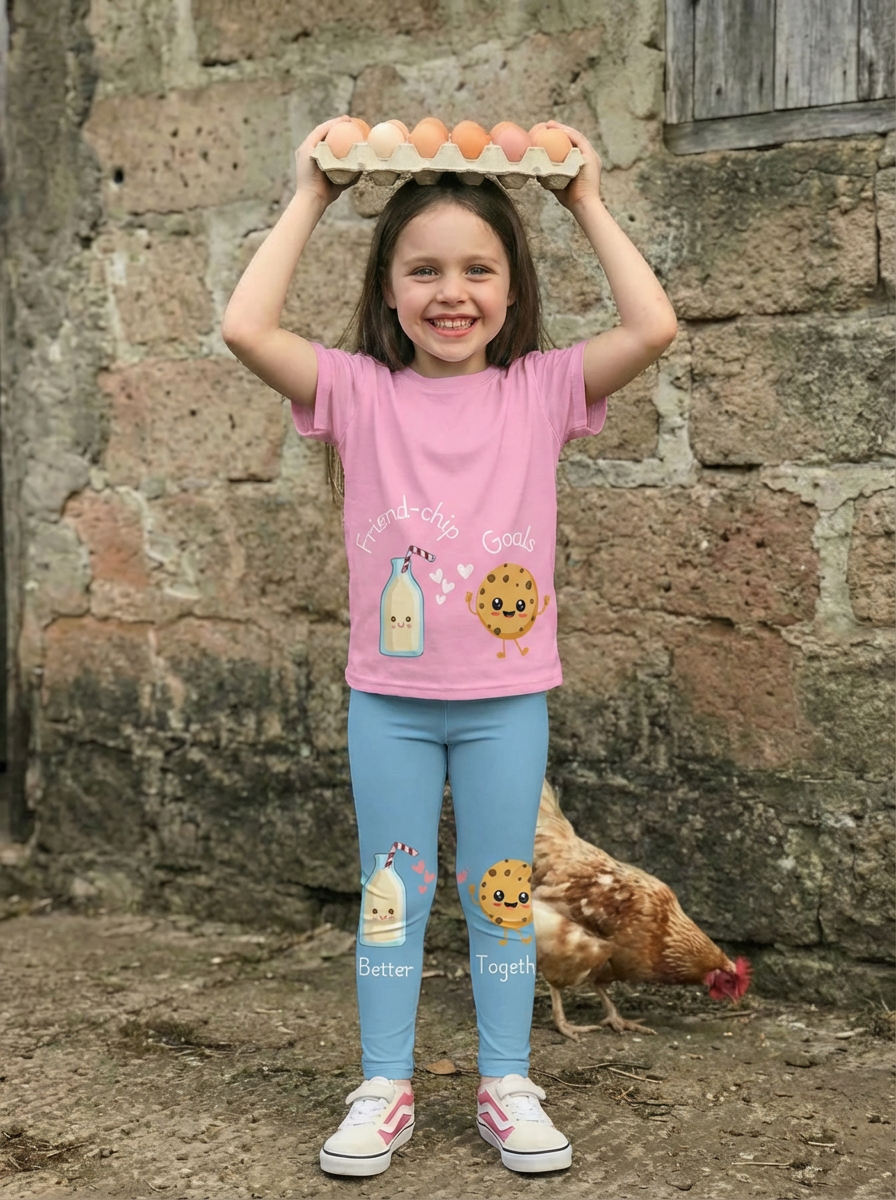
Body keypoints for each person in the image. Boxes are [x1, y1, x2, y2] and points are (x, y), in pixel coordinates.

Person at [222, 114, 677, 1178]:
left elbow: (652, 324)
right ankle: (384, 1085)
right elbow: (245, 327)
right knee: (394, 895)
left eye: (477, 269)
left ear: (511, 289)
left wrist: (585, 202)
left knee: (500, 894)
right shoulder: (355, 391)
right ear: (388, 288)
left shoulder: (542, 390)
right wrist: (311, 195)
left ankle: (505, 1081)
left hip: (504, 703)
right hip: (388, 701)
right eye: (422, 270)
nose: (450, 292)